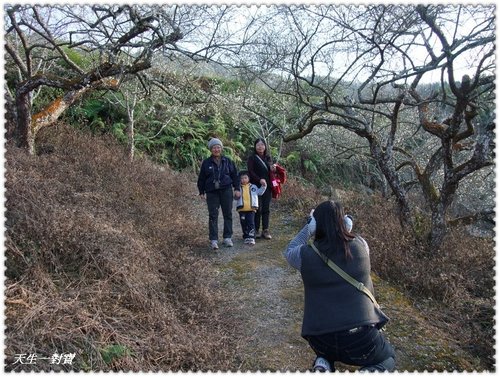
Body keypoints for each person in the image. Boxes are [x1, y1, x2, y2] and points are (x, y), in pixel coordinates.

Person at [283, 200, 395, 372]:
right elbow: (347, 244)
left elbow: (290, 249)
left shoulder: (304, 255)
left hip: (320, 339)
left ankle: (323, 363)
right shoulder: (361, 246)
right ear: (343, 222)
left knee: (329, 341)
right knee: (388, 358)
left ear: (316, 224)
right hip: (361, 339)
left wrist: (308, 228)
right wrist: (345, 228)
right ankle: (368, 371)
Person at [197, 138, 241, 250]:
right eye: (214, 147)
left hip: (226, 190)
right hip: (211, 192)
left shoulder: (227, 161)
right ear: (211, 149)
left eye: (218, 147)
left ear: (221, 148)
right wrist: (201, 191)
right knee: (213, 215)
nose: (216, 149)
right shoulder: (206, 163)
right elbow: (201, 178)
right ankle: (213, 240)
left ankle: (227, 237)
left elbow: (235, 175)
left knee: (228, 214)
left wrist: (237, 188)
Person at [247, 138, 275, 240]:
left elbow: (271, 172)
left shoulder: (268, 158)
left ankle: (266, 230)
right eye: (258, 145)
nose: (260, 147)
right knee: (257, 208)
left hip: (267, 187)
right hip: (256, 186)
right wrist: (259, 180)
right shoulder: (252, 158)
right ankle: (256, 229)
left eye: (262, 145)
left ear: (265, 146)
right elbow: (250, 172)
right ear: (255, 146)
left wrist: (273, 169)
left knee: (266, 208)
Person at [235, 170, 267, 245]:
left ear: (249, 178)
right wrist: (236, 195)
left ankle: (251, 237)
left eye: (245, 178)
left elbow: (260, 192)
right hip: (242, 209)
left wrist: (264, 186)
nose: (244, 180)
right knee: (243, 223)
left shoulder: (253, 187)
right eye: (242, 178)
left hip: (251, 209)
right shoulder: (238, 188)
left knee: (251, 223)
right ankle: (246, 235)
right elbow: (235, 197)